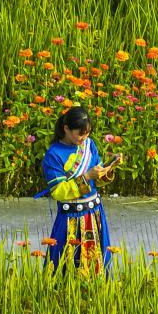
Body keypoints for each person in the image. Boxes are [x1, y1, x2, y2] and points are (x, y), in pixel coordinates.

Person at [34, 106, 123, 275]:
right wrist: (87, 176)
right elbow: (59, 191)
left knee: (98, 261)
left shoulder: (89, 145)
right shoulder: (54, 155)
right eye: (80, 134)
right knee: (66, 263)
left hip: (94, 213)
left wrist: (109, 167)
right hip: (71, 218)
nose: (84, 138)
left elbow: (97, 179)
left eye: (87, 133)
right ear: (66, 129)